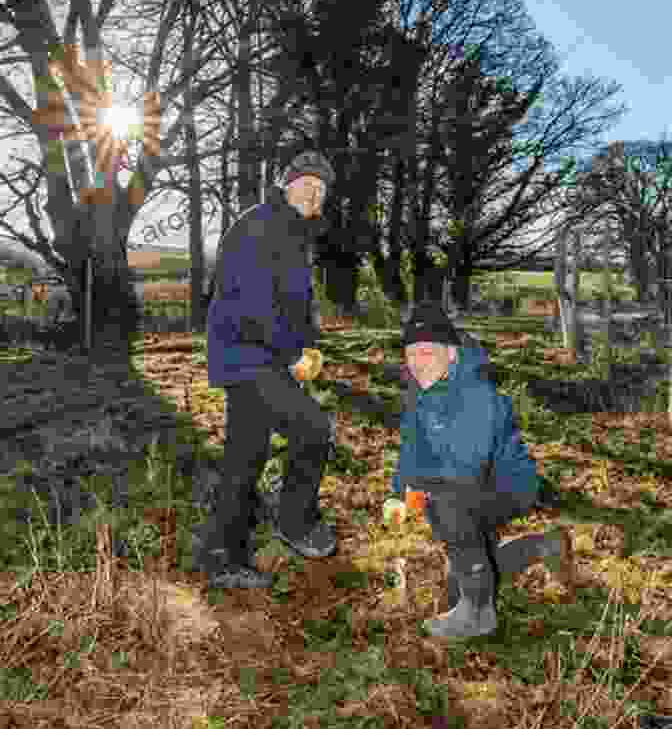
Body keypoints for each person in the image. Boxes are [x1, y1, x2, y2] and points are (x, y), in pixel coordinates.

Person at [359, 301, 574, 640]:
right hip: (465, 488)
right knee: (462, 579)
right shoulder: (419, 396)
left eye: (427, 352)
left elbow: (465, 468)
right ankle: (543, 547)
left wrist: (422, 492)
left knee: (446, 507)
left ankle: (478, 614)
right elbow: (412, 452)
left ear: (453, 353)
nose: (416, 362)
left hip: (507, 486)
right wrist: (397, 494)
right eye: (411, 353)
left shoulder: (477, 393)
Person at [197, 151, 338, 588]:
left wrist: (306, 347)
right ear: (286, 185)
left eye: (320, 189)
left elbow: (295, 307)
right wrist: (290, 351)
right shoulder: (263, 224)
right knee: (313, 428)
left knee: (246, 455)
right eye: (305, 184)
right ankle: (294, 520)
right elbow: (255, 303)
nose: (313, 193)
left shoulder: (293, 234)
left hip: (258, 357)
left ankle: (223, 558)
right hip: (249, 355)